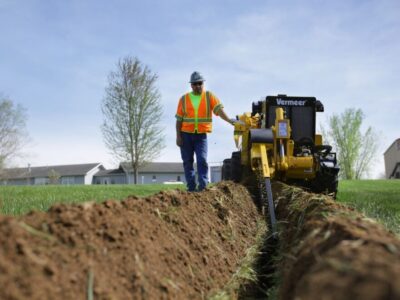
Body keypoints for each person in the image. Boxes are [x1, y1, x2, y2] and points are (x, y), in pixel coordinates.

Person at [175, 71, 235, 192]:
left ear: (203, 84)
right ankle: (191, 188)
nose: (198, 86)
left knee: (202, 160)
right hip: (185, 135)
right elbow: (179, 120)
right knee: (188, 162)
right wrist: (178, 136)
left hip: (201, 136)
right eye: (195, 84)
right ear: (191, 85)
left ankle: (203, 187)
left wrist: (229, 120)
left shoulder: (209, 96)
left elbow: (219, 110)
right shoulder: (184, 99)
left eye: (200, 83)